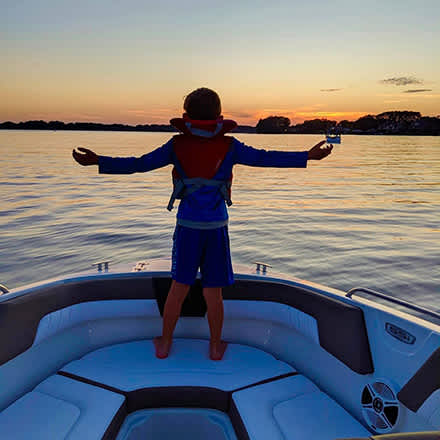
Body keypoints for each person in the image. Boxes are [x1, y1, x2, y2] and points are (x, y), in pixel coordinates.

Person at [72, 87, 332, 361]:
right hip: (217, 228)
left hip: (187, 228)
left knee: (178, 287)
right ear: (219, 116)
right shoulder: (231, 146)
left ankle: (165, 343)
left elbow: (138, 164)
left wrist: (98, 161)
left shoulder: (176, 145)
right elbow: (266, 157)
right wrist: (307, 156)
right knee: (213, 292)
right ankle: (215, 346)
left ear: (186, 116)